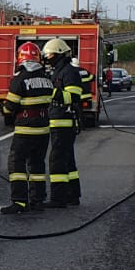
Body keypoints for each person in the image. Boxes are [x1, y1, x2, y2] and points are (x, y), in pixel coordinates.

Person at [0, 42, 52, 215]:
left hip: (25, 130)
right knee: (37, 165)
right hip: (43, 129)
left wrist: (4, 107)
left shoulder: (20, 79)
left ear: (20, 58)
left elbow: (10, 108)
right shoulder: (46, 79)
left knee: (16, 164)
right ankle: (38, 201)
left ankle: (19, 202)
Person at [43, 38, 84, 207]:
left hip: (63, 122)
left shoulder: (69, 72)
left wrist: (51, 92)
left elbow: (74, 96)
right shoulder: (59, 71)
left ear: (58, 54)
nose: (47, 58)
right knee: (68, 159)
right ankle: (72, 195)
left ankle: (58, 198)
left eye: (49, 55)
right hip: (58, 120)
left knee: (57, 159)